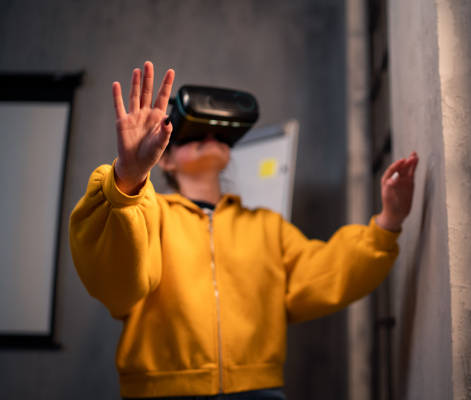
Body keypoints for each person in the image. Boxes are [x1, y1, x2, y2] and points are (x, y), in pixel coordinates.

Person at [69, 61, 419, 400]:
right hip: (163, 391)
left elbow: (327, 273)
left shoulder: (266, 226)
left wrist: (389, 220)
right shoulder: (148, 213)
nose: (210, 137)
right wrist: (128, 179)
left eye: (220, 134)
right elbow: (115, 281)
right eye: (193, 135)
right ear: (168, 160)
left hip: (258, 391)